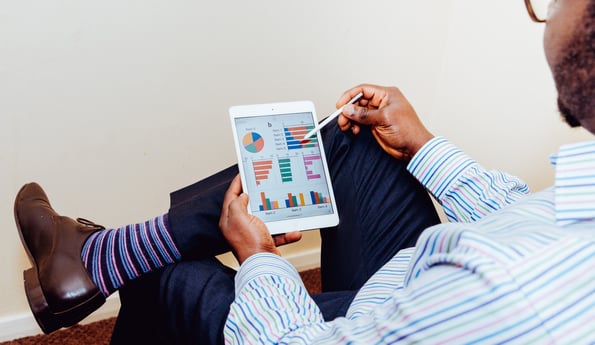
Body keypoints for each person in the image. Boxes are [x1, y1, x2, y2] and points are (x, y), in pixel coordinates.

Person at [13, 0, 594, 343]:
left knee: (169, 276)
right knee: (357, 139)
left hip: (380, 321)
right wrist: (422, 144)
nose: (544, 16)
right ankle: (93, 259)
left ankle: (105, 260)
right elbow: (526, 216)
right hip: (423, 287)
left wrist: (261, 262)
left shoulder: (512, 288)